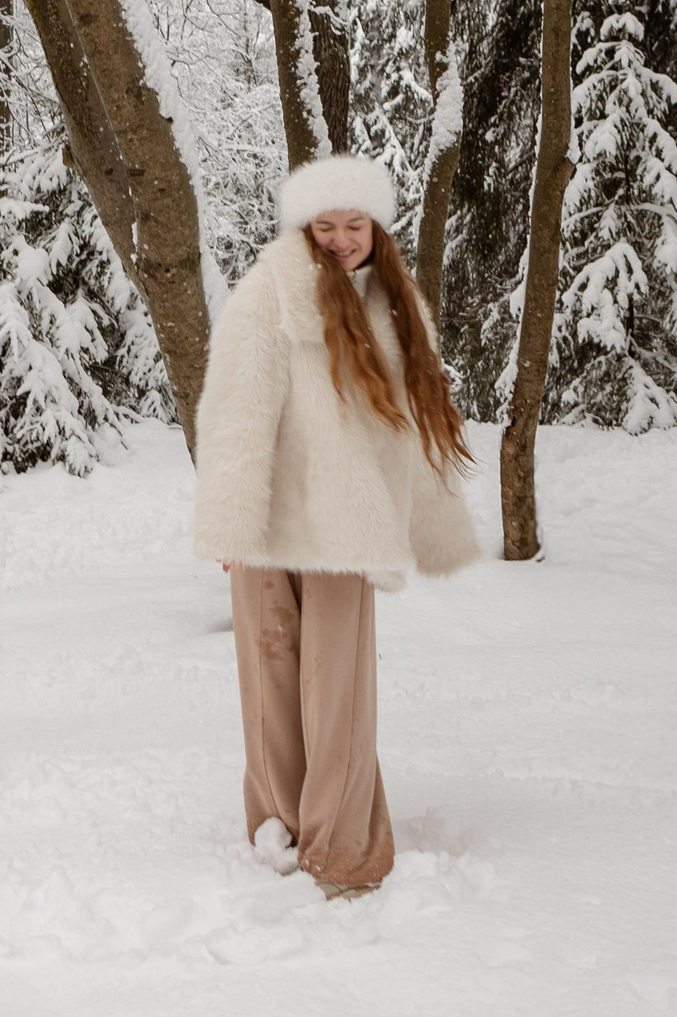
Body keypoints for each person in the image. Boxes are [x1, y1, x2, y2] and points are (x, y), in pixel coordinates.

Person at [190, 154, 480, 897]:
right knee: (271, 681)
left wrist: (431, 518)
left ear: (376, 227)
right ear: (305, 227)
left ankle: (341, 845)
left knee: (337, 693)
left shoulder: (395, 298)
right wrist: (231, 520)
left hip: (347, 528)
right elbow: (236, 411)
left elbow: (414, 418)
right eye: (328, 225)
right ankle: (277, 827)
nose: (343, 238)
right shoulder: (268, 292)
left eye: (356, 224)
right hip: (270, 525)